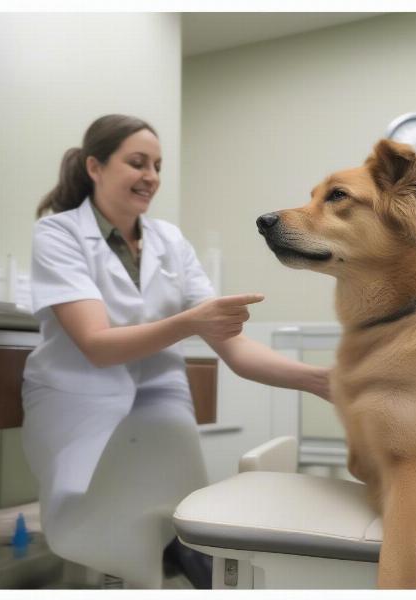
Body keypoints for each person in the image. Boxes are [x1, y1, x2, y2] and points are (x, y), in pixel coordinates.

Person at [21, 114, 330, 589]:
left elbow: (238, 352)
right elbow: (97, 347)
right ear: (95, 167)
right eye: (137, 163)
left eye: (158, 166)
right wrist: (189, 322)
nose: (151, 177)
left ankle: (168, 564)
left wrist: (319, 380)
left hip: (158, 395)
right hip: (76, 398)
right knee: (94, 515)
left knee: (173, 500)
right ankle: (147, 566)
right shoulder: (59, 234)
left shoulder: (171, 242)